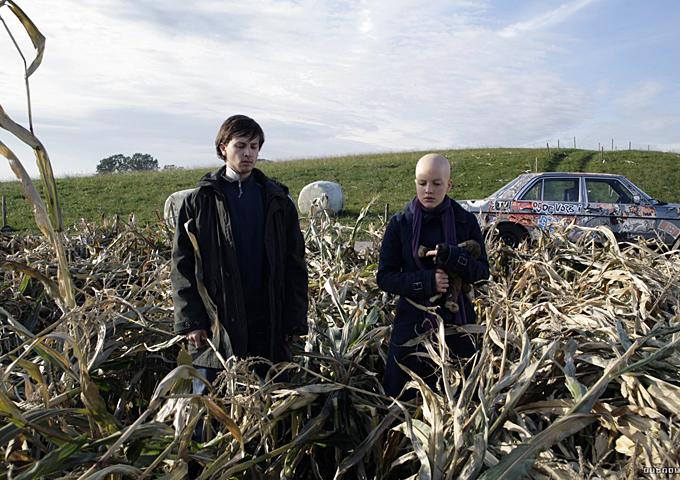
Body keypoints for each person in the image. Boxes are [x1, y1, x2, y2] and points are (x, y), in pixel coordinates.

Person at [171, 114, 308, 390]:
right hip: (217, 323)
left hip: (268, 318)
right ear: (223, 147)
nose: (248, 153)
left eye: (254, 147)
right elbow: (182, 266)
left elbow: (295, 265)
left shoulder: (278, 201)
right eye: (240, 145)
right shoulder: (199, 203)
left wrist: (295, 320)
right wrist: (192, 321)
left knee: (269, 397)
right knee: (211, 402)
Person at [377, 153, 489, 398]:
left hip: (458, 324)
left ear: (449, 185)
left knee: (460, 395)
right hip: (412, 324)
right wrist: (427, 282)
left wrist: (454, 258)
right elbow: (384, 277)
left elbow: (482, 274)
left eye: (436, 183)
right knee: (401, 396)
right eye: (422, 183)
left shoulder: (465, 221)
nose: (428, 190)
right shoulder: (400, 223)